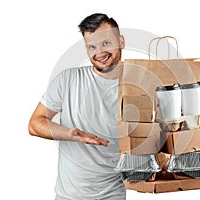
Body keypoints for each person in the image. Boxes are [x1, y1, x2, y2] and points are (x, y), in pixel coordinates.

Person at [28, 13, 126, 200]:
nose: (100, 52)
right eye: (92, 47)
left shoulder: (139, 84)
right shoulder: (68, 80)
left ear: (121, 41)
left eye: (106, 43)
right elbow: (35, 124)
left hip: (113, 194)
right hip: (70, 195)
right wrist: (70, 134)